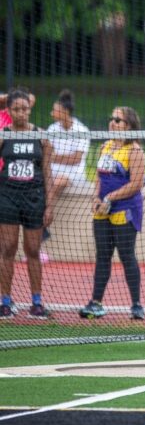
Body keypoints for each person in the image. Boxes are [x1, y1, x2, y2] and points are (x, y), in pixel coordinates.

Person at [79, 107, 145, 320]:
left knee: (127, 256)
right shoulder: (104, 147)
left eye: (118, 120)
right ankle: (96, 302)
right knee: (102, 256)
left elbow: (136, 184)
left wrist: (111, 197)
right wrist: (97, 198)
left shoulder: (134, 151)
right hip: (103, 209)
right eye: (112, 119)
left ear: (129, 125)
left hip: (125, 209)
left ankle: (136, 305)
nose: (113, 123)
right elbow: (99, 177)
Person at [0, 88, 54, 319]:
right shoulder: (3, 135)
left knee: (32, 249)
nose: (22, 113)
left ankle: (37, 301)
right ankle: (5, 301)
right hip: (8, 197)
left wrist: (49, 205)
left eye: (25, 109)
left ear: (30, 109)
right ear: (9, 111)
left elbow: (48, 173)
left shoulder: (41, 137)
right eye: (16, 109)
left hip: (34, 198)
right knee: (8, 248)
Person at [47, 89, 90, 203]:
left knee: (57, 183)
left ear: (65, 111)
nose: (51, 113)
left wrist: (54, 157)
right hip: (52, 173)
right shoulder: (52, 128)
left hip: (74, 175)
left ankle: (46, 208)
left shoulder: (81, 130)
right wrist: (63, 157)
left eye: (54, 110)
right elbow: (47, 154)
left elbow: (76, 159)